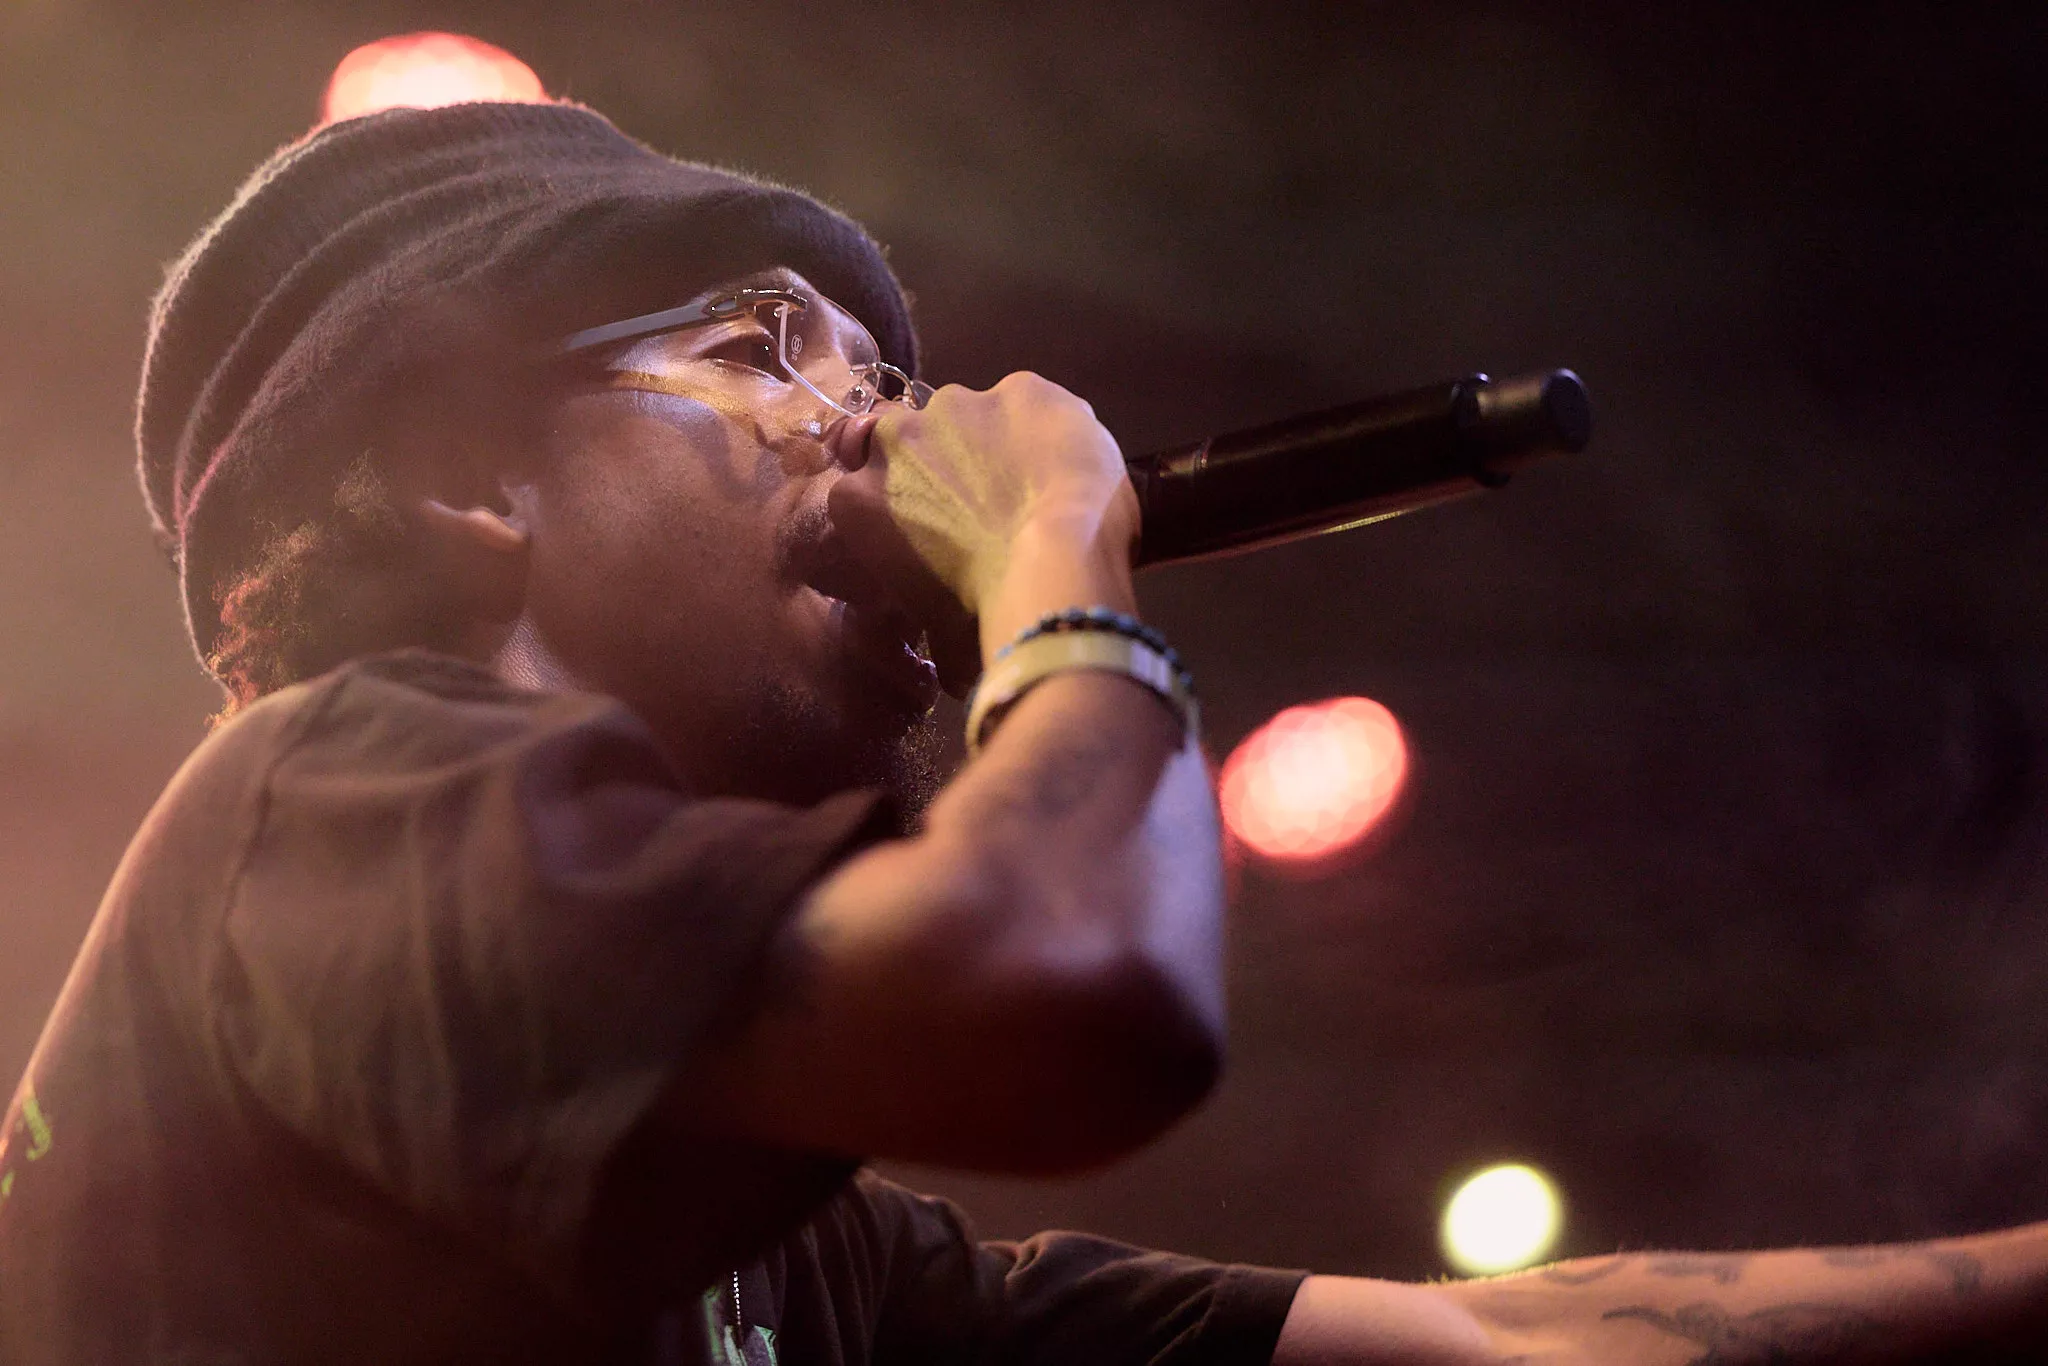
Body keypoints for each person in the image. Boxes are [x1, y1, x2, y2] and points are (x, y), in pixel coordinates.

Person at [0, 97, 2042, 1366]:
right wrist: (1059, 542)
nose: (884, 426)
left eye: (893, 372)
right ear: (469, 475)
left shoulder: (799, 1255)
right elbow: (1076, 992)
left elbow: (1534, 1340)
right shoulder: (302, 818)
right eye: (769, 347)